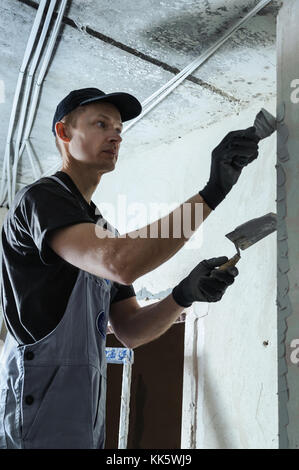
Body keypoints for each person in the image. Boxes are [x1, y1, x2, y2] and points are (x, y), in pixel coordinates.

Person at [0, 87, 259, 449]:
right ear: (64, 133)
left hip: (83, 415)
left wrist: (183, 294)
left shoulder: (102, 230)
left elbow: (131, 331)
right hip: (38, 408)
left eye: (119, 129)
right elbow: (119, 262)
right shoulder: (42, 198)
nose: (115, 135)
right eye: (101, 124)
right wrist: (212, 191)